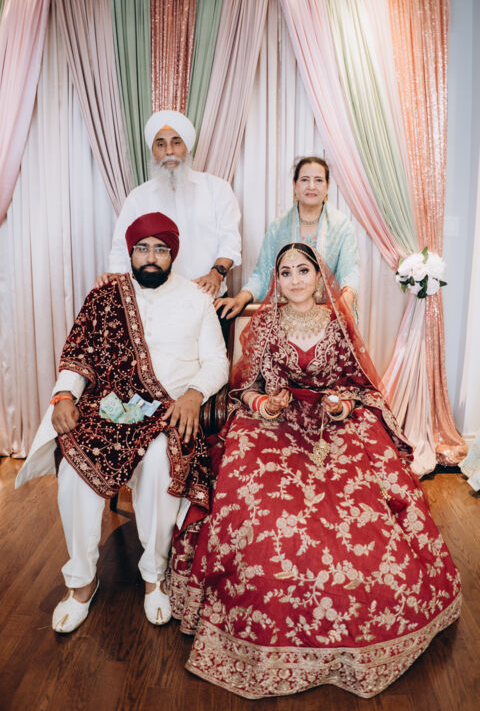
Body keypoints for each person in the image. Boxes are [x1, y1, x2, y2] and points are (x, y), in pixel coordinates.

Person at [170, 242, 461, 699]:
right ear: (277, 280)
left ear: (319, 276)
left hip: (334, 425)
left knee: (361, 522)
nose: (295, 280)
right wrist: (262, 404)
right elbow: (244, 386)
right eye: (285, 272)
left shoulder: (338, 323)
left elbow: (360, 385)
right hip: (275, 425)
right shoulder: (265, 323)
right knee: (262, 518)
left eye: (303, 270)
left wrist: (343, 404)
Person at [16, 212, 229, 634]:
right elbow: (77, 354)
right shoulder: (105, 296)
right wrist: (64, 395)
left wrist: (193, 395)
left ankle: (154, 575)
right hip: (107, 407)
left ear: (173, 254)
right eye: (142, 248)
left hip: (168, 410)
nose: (151, 257)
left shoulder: (196, 298)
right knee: (75, 467)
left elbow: (217, 362)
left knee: (160, 462)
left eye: (161, 249)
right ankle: (81, 580)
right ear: (131, 252)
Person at [98, 109, 241, 298]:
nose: (169, 151)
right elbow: (121, 248)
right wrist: (115, 279)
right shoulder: (138, 197)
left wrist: (216, 274)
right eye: (160, 144)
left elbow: (230, 240)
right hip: (155, 301)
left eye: (176, 142)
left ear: (187, 147)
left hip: (208, 296)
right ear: (153, 151)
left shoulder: (217, 188)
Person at [216, 156, 359, 318]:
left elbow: (350, 270)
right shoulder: (278, 228)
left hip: (330, 314)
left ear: (328, 186)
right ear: (294, 184)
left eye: (319, 180)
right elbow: (262, 274)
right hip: (287, 317)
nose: (311, 186)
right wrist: (241, 298)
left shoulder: (342, 226)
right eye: (305, 180)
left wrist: (347, 297)